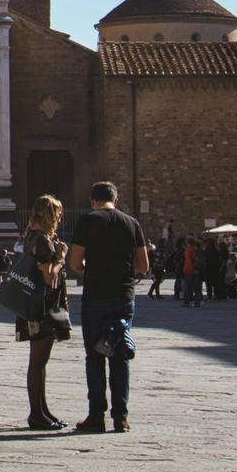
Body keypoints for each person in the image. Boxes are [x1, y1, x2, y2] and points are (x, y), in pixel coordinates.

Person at [66, 181, 148, 434]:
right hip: (124, 297)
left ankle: (96, 416)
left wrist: (93, 267)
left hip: (96, 297)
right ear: (116, 199)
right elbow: (143, 265)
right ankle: (121, 417)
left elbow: (75, 263)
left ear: (93, 200)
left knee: (95, 356)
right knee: (120, 355)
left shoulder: (88, 221)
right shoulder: (131, 223)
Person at [14, 195, 72, 431]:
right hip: (43, 310)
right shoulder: (43, 241)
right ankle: (36, 415)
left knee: (40, 362)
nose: (59, 219)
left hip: (35, 308)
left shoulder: (33, 238)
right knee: (37, 363)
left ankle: (43, 411)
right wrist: (61, 257)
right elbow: (48, 277)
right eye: (57, 215)